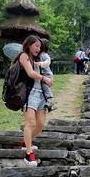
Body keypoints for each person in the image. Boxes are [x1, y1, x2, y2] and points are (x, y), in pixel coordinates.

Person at [18, 35, 53, 166]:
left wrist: (48, 79)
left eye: (40, 47)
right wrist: (44, 79)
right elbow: (30, 73)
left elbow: (46, 69)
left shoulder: (39, 59)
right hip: (30, 93)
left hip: (41, 94)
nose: (38, 49)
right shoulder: (24, 56)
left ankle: (26, 142)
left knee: (40, 124)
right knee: (31, 123)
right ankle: (28, 154)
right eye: (36, 46)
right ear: (29, 45)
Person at [37, 38, 57, 112]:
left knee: (45, 87)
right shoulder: (39, 55)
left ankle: (50, 101)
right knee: (43, 89)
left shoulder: (45, 55)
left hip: (47, 75)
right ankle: (49, 106)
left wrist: (40, 64)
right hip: (43, 75)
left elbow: (47, 62)